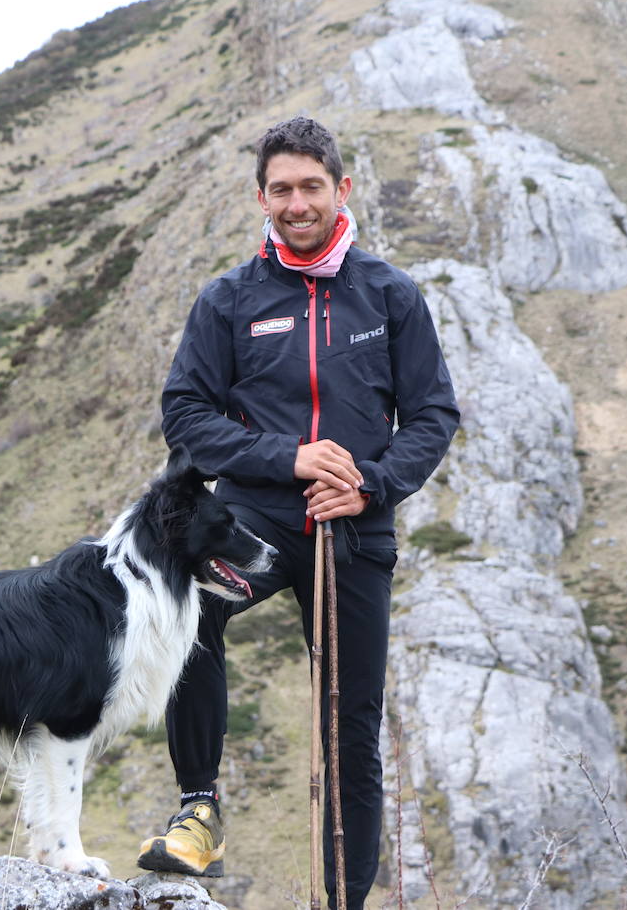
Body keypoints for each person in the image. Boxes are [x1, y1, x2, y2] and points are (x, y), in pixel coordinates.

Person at [138, 116, 459, 910]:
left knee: (351, 726)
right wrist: (288, 456)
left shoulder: (389, 295)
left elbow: (432, 416)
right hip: (255, 522)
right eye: (280, 189)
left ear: (341, 190)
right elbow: (186, 415)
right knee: (188, 610)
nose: (296, 203)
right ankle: (199, 810)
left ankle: (343, 899)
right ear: (262, 198)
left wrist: (370, 485)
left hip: (354, 527)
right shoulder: (230, 300)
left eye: (311, 186)